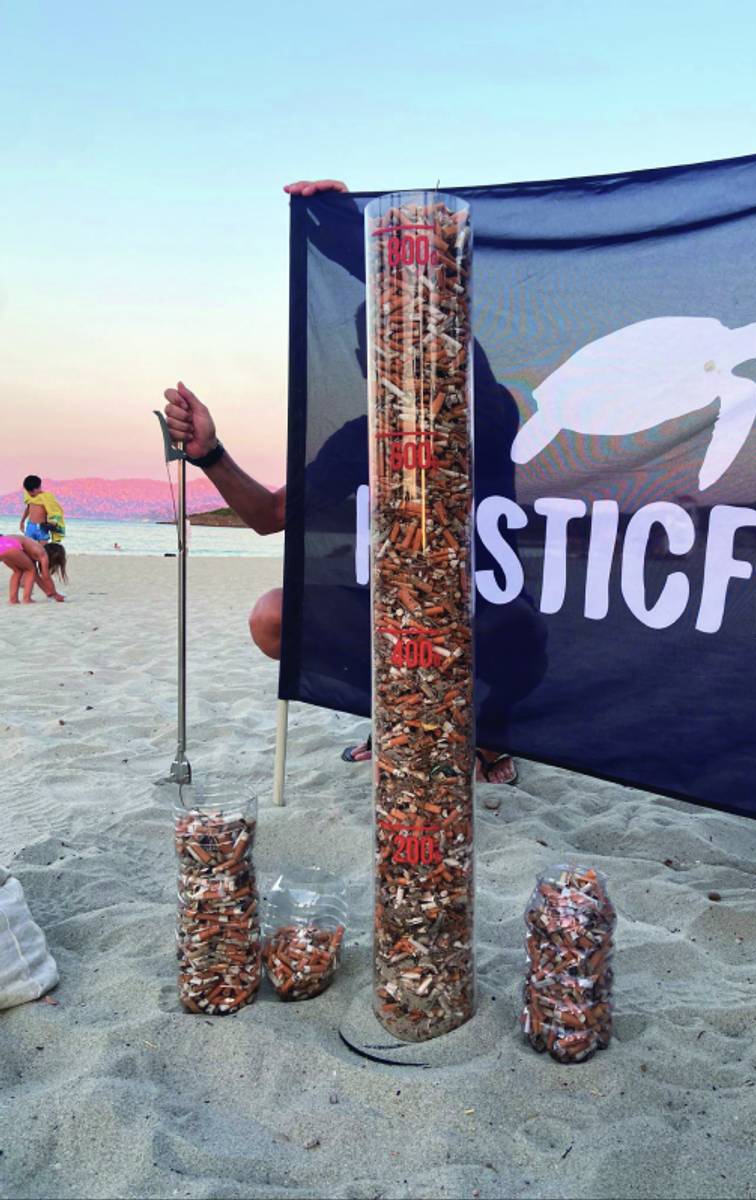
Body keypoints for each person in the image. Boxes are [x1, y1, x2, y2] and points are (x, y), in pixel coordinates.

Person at [163, 178, 529, 785]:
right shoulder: (359, 438)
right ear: (367, 363)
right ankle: (389, 715)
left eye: (409, 340)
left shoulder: (484, 411)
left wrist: (342, 233)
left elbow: (447, 320)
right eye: (379, 348)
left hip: (479, 604)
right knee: (270, 616)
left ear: (445, 346)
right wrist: (210, 455)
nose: (394, 358)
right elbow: (270, 515)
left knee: (527, 632)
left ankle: (490, 728)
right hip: (383, 608)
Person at [0, 534, 66, 604]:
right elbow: (46, 577)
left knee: (18, 571)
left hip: (2, 543)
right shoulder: (43, 553)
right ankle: (27, 599)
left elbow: (36, 577)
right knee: (31, 570)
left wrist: (49, 593)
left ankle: (13, 599)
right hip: (10, 545)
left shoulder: (32, 551)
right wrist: (55, 593)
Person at [20, 476, 66, 544]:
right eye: (28, 492)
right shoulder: (29, 497)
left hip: (42, 527)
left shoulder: (46, 498)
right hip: (30, 526)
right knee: (28, 548)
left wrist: (54, 522)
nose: (30, 494)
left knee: (43, 550)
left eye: (32, 492)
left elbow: (54, 511)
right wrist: (22, 521)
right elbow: (28, 509)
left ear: (39, 487)